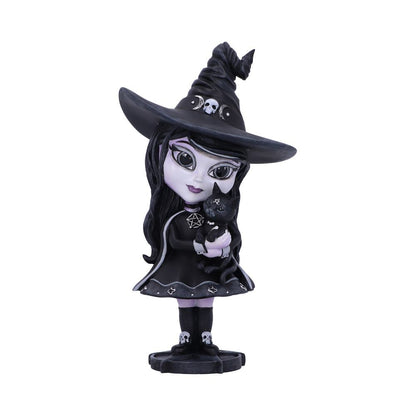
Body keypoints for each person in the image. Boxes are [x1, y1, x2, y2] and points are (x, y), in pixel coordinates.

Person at [119, 42, 296, 373]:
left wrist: (223, 245)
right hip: (183, 267)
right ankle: (187, 337)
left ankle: (205, 337)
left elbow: (217, 236)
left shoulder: (215, 213)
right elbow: (175, 238)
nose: (198, 180)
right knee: (187, 302)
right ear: (160, 152)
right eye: (185, 159)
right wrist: (201, 245)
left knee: (206, 301)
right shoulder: (175, 218)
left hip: (207, 268)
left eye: (221, 171)